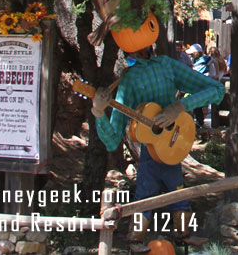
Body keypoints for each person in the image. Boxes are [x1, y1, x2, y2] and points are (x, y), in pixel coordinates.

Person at [93, 34, 224, 250]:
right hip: (152, 151)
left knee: (175, 192)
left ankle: (180, 234)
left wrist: (180, 107)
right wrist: (99, 112)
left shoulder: (166, 65)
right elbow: (112, 138)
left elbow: (216, 90)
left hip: (173, 143)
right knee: (150, 193)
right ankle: (137, 239)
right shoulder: (129, 80)